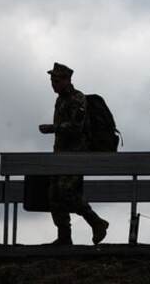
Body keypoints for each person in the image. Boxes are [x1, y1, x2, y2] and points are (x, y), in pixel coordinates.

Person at [38, 62, 109, 245]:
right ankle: (64, 237)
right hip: (60, 155)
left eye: (57, 80)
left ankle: (96, 222)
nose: (53, 84)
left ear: (67, 80)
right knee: (54, 194)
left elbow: (77, 127)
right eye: (52, 80)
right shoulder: (60, 100)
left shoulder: (78, 99)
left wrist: (53, 128)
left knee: (67, 192)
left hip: (76, 155)